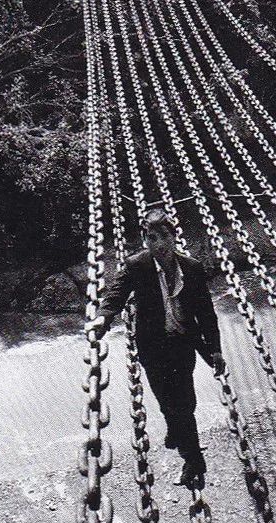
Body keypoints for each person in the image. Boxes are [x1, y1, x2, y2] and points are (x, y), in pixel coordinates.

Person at [87, 207, 224, 486]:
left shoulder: (192, 269)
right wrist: (103, 317)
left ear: (173, 237)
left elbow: (207, 315)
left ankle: (193, 459)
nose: (157, 245)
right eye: (151, 238)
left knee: (184, 403)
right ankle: (179, 433)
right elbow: (116, 293)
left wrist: (216, 350)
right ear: (145, 240)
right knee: (167, 401)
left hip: (183, 344)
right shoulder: (138, 266)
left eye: (162, 237)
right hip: (152, 348)